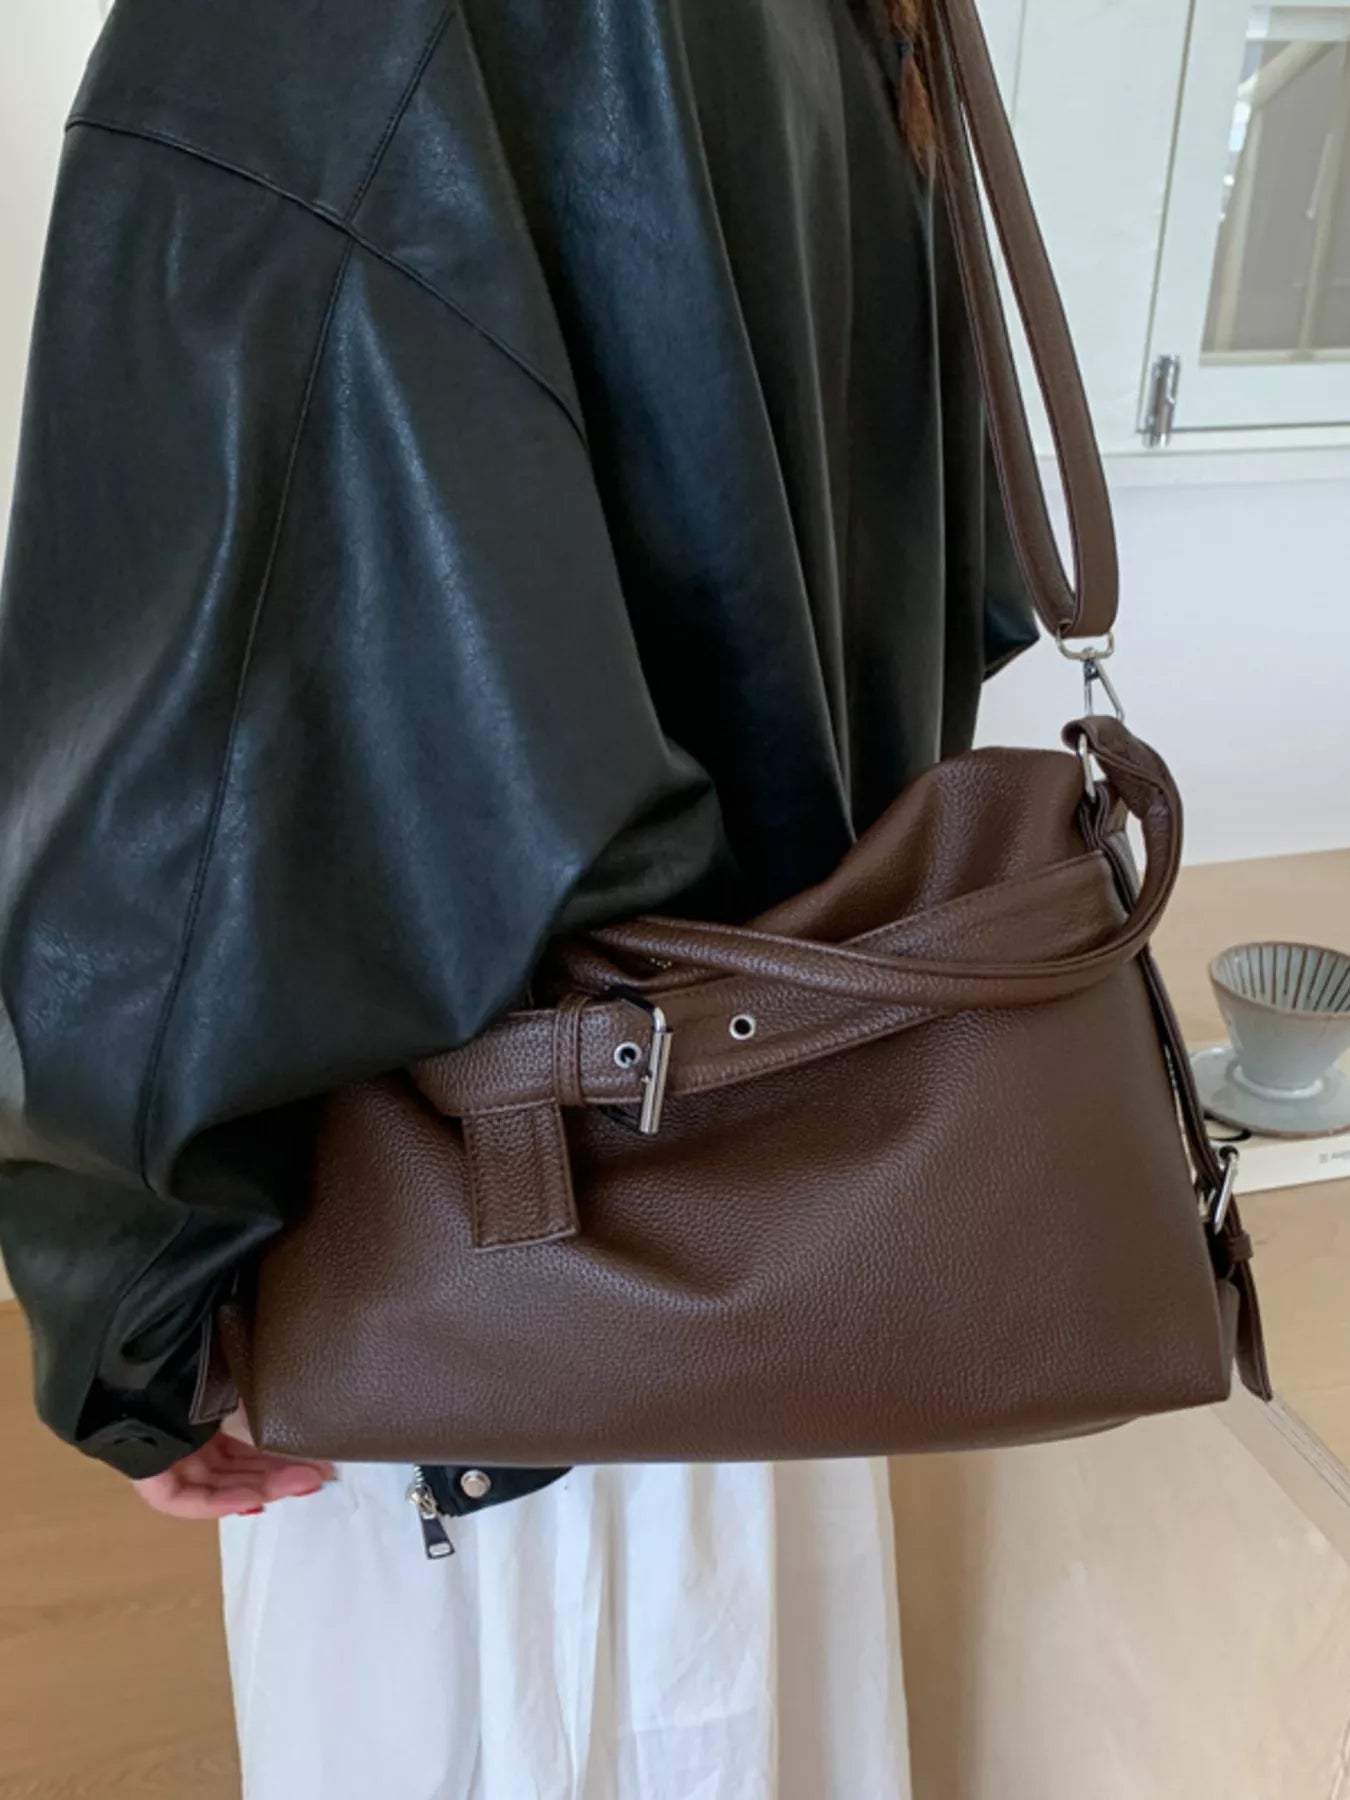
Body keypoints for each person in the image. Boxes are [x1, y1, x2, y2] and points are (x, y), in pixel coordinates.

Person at [0, 0, 1035, 1794]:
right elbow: (948, 589)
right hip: (786, 1257)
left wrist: (130, 1306)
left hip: (467, 1312)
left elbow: (182, 749)